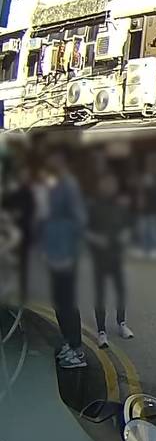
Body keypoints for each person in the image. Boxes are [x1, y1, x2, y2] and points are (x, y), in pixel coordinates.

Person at [41, 149, 87, 369]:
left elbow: (79, 220)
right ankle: (69, 344)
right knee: (59, 301)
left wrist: (69, 252)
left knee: (66, 301)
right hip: (54, 251)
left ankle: (77, 351)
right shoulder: (55, 183)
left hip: (64, 253)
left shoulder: (68, 185)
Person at [87, 172, 134, 348]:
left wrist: (126, 235)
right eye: (106, 184)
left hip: (116, 255)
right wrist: (96, 239)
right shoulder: (93, 206)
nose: (109, 187)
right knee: (100, 294)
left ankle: (122, 323)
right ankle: (101, 331)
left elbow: (128, 225)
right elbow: (85, 230)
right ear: (101, 186)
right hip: (99, 257)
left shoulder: (120, 206)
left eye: (112, 184)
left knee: (120, 291)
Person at [2, 164, 36, 305]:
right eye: (22, 174)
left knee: (23, 265)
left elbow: (31, 211)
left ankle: (23, 293)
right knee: (10, 263)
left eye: (26, 175)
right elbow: (6, 206)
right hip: (11, 232)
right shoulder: (14, 192)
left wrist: (20, 215)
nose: (24, 177)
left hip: (23, 233)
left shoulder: (29, 193)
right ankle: (10, 291)